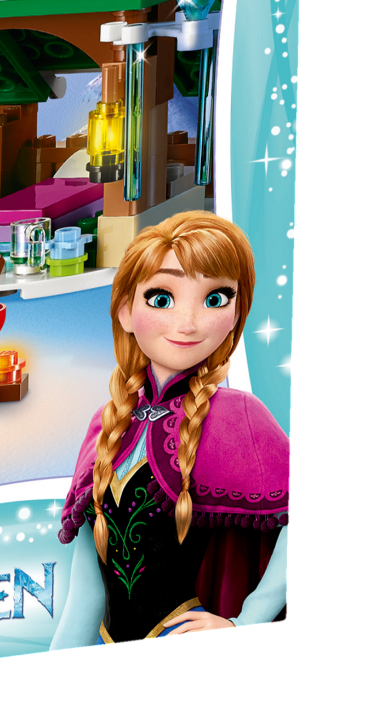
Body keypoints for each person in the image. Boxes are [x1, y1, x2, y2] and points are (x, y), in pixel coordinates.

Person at [50, 212, 288, 647]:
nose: (188, 323)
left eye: (215, 298)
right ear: (126, 310)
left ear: (236, 313)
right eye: (161, 298)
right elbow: (86, 594)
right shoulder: (106, 423)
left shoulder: (241, 415)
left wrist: (248, 620)